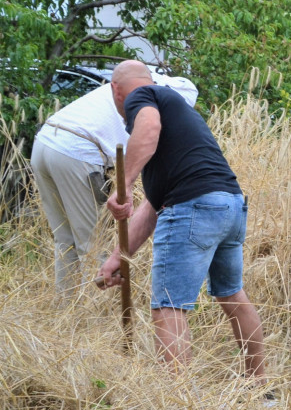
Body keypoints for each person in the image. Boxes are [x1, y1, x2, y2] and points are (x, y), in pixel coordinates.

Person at [97, 61, 267, 388]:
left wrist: (123, 186)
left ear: (115, 91)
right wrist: (117, 257)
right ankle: (260, 390)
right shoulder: (178, 122)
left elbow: (147, 127)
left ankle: (178, 406)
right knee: (233, 295)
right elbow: (153, 207)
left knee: (168, 306)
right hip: (229, 206)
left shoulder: (142, 97)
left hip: (195, 208)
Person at [30, 68, 197, 298]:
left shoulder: (132, 85)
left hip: (44, 143)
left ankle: (65, 312)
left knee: (65, 240)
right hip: (77, 151)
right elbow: (151, 144)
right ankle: (95, 317)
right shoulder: (155, 99)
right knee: (93, 244)